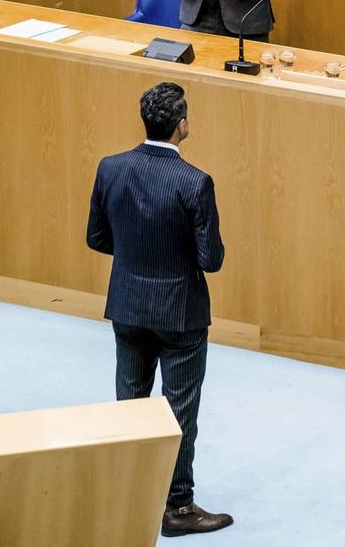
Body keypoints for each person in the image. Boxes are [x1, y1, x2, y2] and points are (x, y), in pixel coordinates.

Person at [86, 82, 229, 535]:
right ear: (181, 125)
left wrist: (137, 261)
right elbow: (212, 260)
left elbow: (97, 238)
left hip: (127, 305)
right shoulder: (195, 182)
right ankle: (177, 508)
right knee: (179, 412)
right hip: (180, 315)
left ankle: (127, 496)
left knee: (128, 404)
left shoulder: (110, 168)